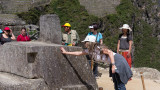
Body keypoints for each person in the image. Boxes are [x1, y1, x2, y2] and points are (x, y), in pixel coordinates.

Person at [60, 39, 132, 90]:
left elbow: (110, 53)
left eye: (86, 42)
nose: (85, 43)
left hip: (118, 61)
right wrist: (66, 52)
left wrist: (113, 65)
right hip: (114, 62)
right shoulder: (89, 51)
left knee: (119, 84)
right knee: (116, 83)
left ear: (90, 43)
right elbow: (79, 53)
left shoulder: (99, 48)